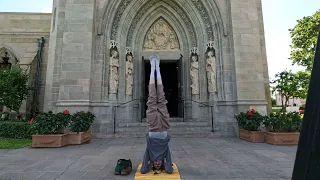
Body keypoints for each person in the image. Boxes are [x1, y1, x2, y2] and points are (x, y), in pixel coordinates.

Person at [140, 55, 173, 174]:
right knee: (162, 96)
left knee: (152, 97)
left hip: (153, 126)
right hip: (164, 125)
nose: (158, 163)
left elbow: (143, 170)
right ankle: (157, 69)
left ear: (152, 163)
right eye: (160, 164)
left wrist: (149, 165)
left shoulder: (149, 154)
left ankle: (153, 67)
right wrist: (165, 166)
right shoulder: (165, 153)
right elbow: (169, 169)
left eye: (156, 164)